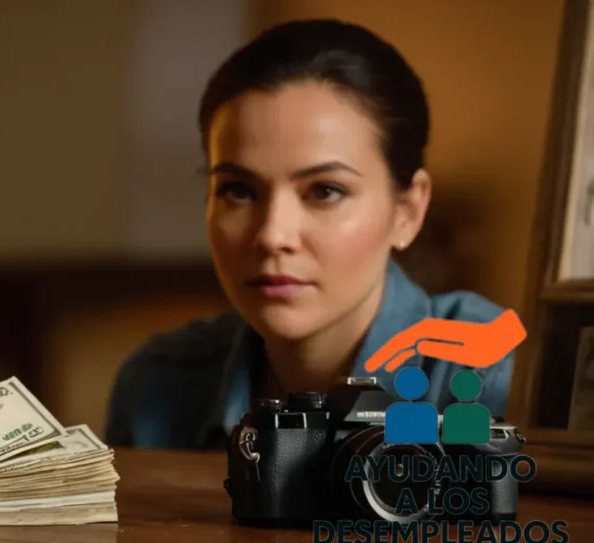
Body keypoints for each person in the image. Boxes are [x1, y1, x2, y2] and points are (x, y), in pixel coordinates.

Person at [104, 19, 517, 450]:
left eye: (325, 191)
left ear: (408, 211)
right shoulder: (157, 386)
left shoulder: (494, 378)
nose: (272, 235)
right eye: (239, 191)